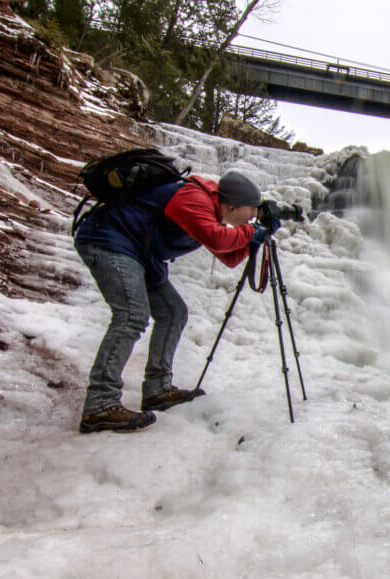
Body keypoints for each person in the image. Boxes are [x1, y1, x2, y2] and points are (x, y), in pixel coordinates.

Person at [73, 170, 278, 433]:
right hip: (110, 240)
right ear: (232, 204)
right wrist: (253, 232)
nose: (253, 216)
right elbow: (218, 238)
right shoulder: (193, 198)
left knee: (173, 312)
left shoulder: (210, 213)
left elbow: (228, 258)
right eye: (251, 210)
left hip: (139, 253)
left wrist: (256, 238)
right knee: (132, 316)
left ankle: (157, 389)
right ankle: (99, 404)